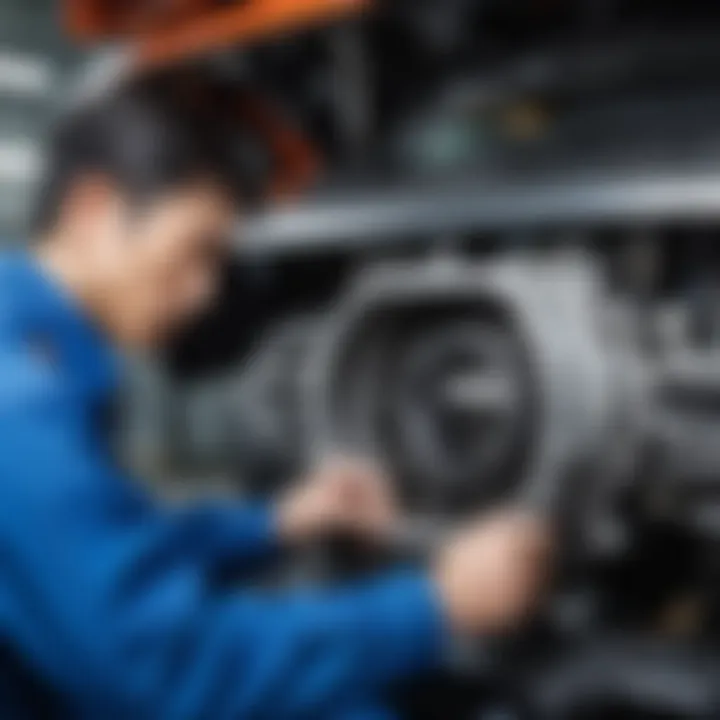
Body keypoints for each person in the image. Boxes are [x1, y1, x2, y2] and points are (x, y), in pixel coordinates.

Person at [0, 85, 551, 719]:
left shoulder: (33, 358)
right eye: (196, 251)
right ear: (92, 210)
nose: (206, 294)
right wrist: (435, 606)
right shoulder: (20, 407)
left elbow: (103, 544)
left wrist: (276, 520)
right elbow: (167, 670)